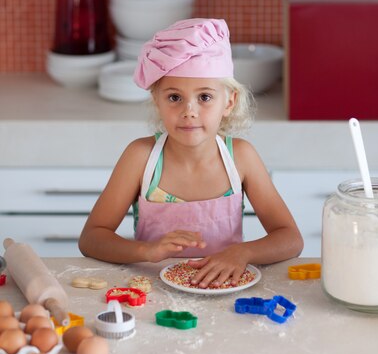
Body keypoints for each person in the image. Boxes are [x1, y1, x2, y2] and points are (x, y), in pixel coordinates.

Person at [79, 18, 303, 287]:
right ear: (157, 101)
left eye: (205, 97)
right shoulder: (140, 157)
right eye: (174, 97)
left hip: (226, 295)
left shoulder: (241, 158)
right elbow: (91, 238)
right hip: (152, 295)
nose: (189, 111)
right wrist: (145, 251)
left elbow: (290, 238)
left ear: (229, 102)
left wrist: (244, 252)